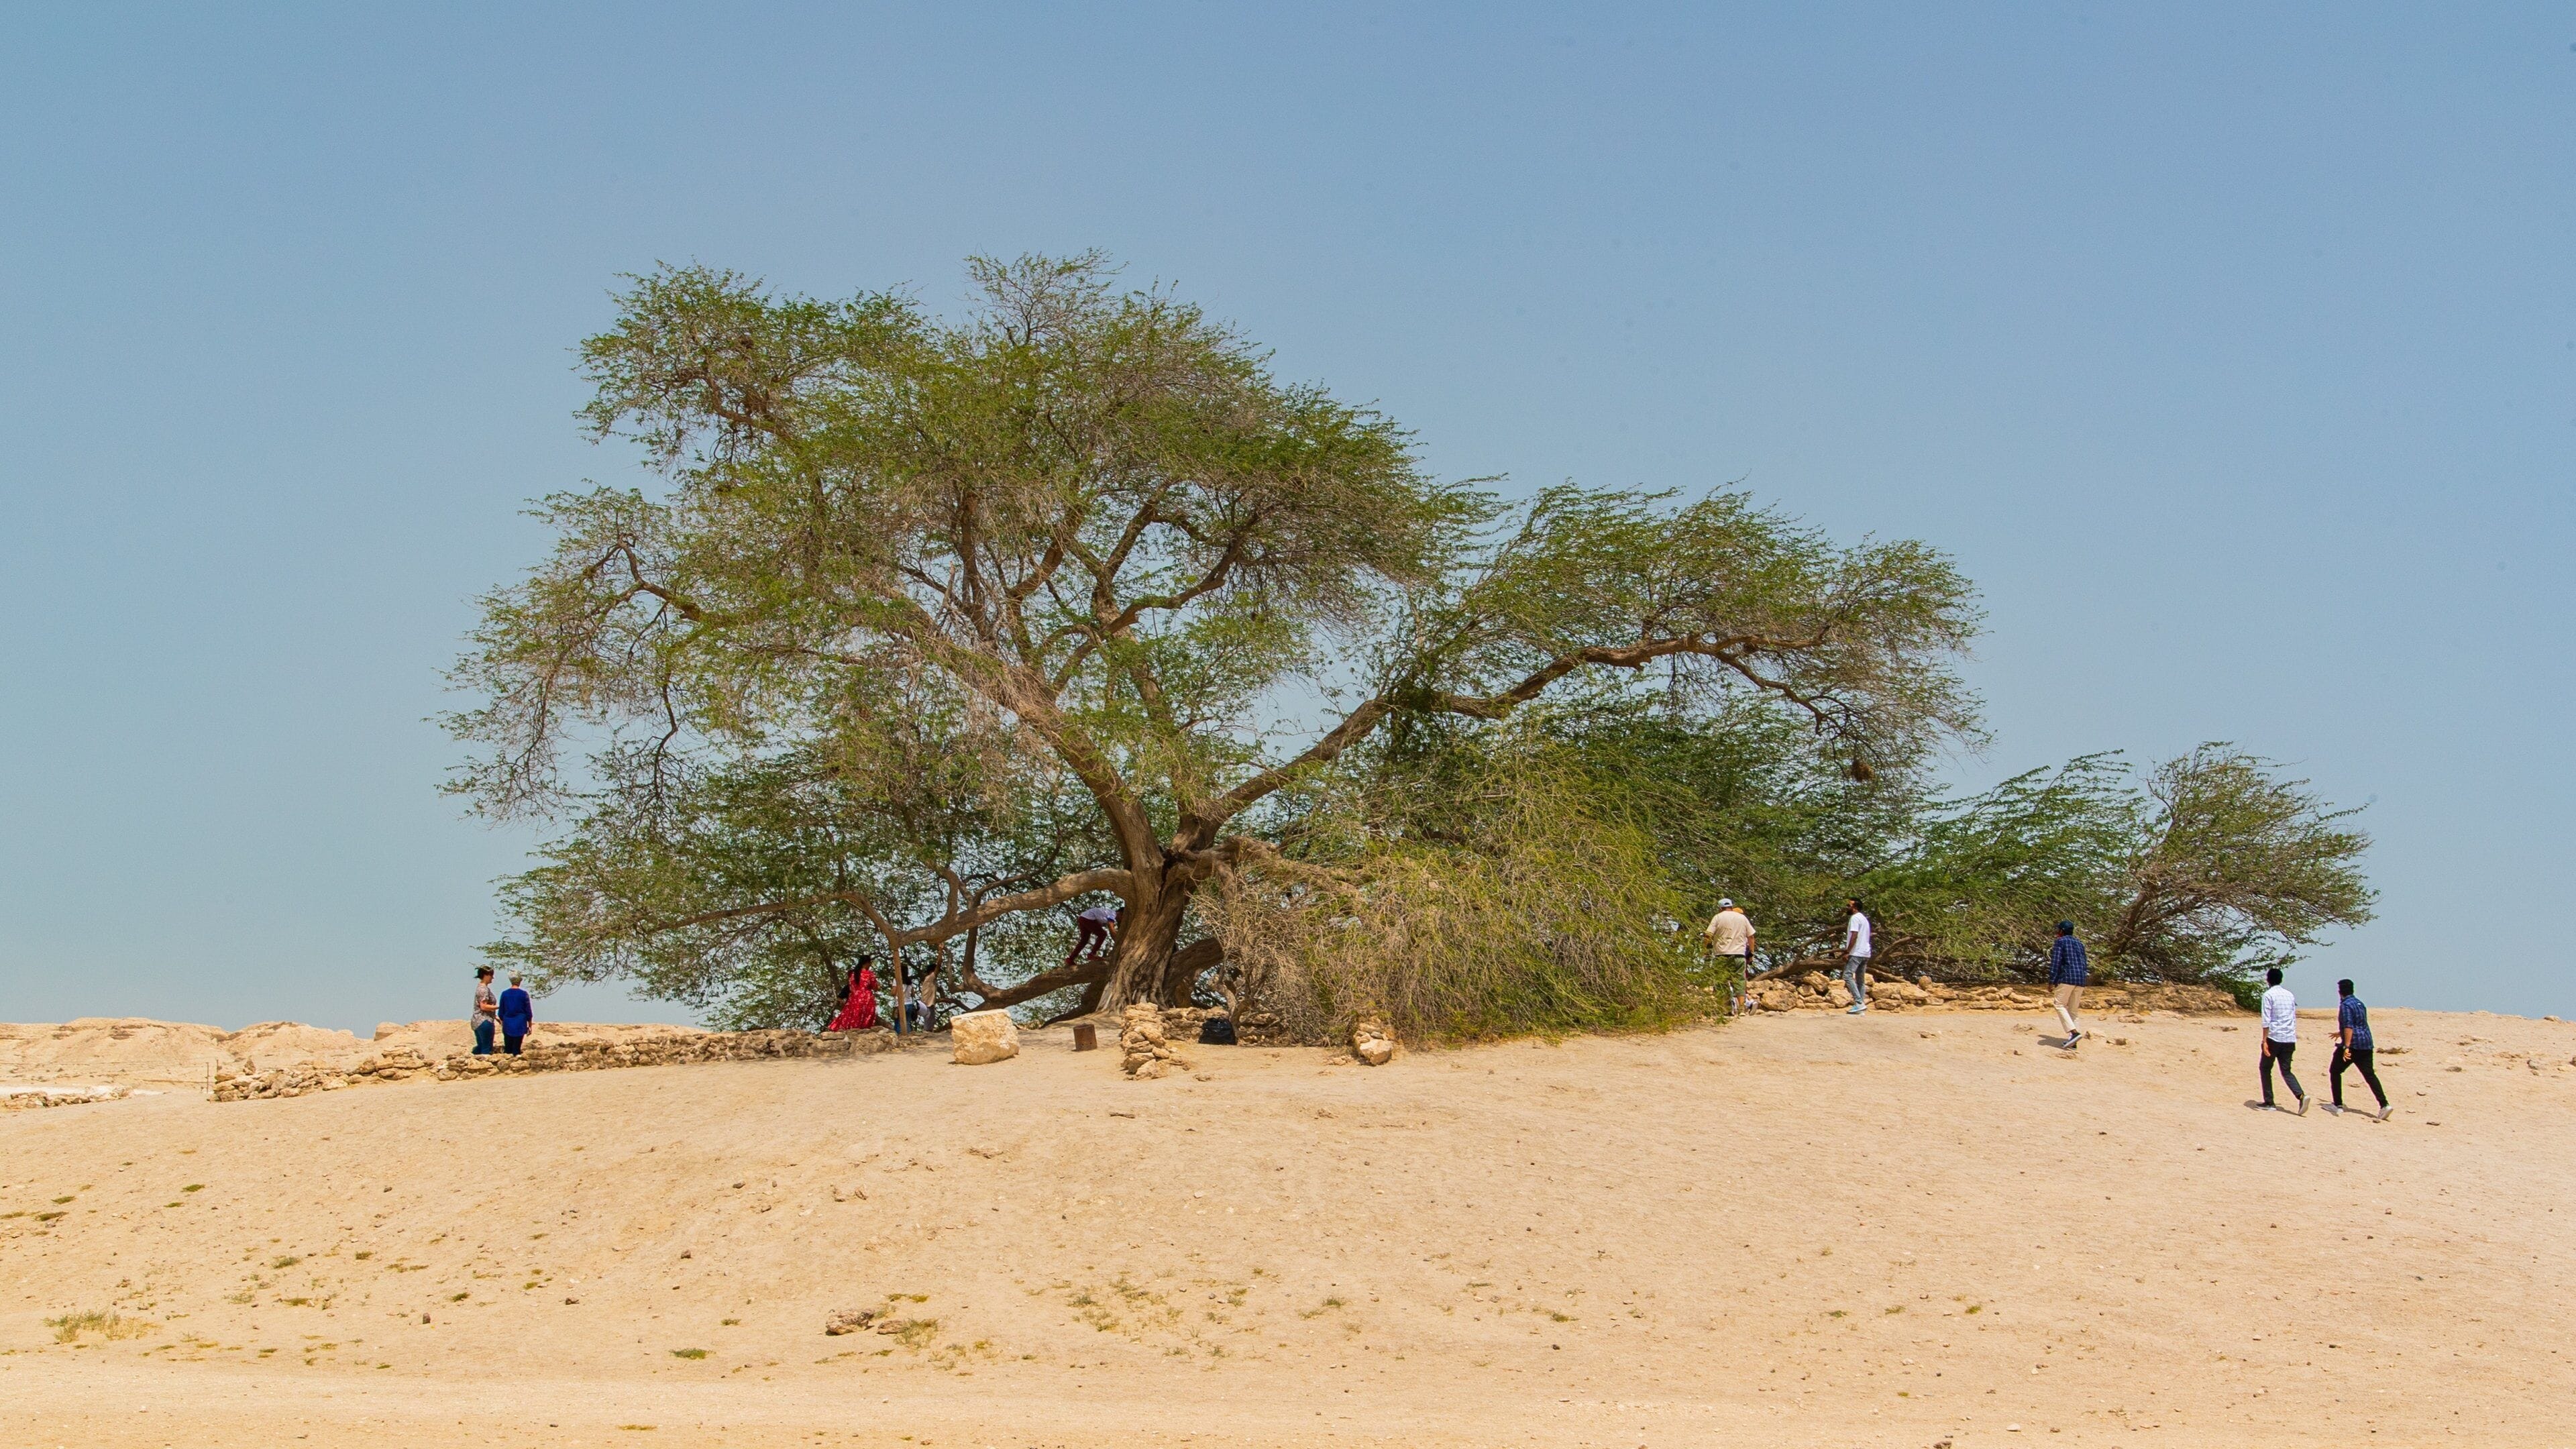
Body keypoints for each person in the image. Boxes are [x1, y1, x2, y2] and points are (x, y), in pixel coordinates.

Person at [2329, 977, 2391, 1120]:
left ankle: (2338, 1105)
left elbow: (2350, 1026)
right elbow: (2359, 1024)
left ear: (2340, 992)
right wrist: (2340, 1033)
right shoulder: (2360, 1004)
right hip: (2366, 1044)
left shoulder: (2345, 1005)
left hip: (2354, 1045)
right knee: (2370, 1075)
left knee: (2335, 1071)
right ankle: (2384, 1104)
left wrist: (2346, 1047)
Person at [2258, 967, 2307, 1114]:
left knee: (2265, 1068)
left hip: (2274, 1037)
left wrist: (2264, 1040)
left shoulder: (2268, 995)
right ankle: (2301, 1095)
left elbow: (2266, 1020)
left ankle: (2269, 1102)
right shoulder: (2289, 995)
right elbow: (2292, 1016)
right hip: (2289, 1038)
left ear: (2268, 980)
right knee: (2286, 1071)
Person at [1701, 898, 1756, 1012]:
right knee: (1740, 980)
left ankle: (1726, 1009)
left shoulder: (1718, 917)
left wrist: (1704, 949)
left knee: (1721, 981)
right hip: (1739, 955)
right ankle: (1741, 1009)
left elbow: (1708, 935)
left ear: (1720, 908)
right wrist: (1751, 952)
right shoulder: (1742, 918)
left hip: (1722, 955)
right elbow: (1751, 937)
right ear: (1731, 906)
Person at [2047, 920, 2088, 1049]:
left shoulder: (2061, 942)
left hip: (2067, 977)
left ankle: (2074, 1033)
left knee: (2059, 1004)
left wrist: (2052, 981)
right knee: (2073, 1011)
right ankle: (2073, 1042)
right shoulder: (2080, 943)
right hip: (2080, 979)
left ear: (2062, 931)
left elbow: (2056, 962)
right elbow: (2084, 962)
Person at [1841, 898, 1872, 1014]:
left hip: (1856, 952)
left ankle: (1859, 1002)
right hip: (1865, 953)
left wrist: (1847, 951)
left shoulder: (1855, 918)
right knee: (1860, 980)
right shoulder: (1864, 919)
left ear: (1855, 908)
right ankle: (1860, 1008)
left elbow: (1854, 935)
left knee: (1847, 976)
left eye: (1849, 905)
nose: (1847, 907)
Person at [1067, 902, 1121, 969]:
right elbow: (1110, 925)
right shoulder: (1113, 914)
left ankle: (1070, 959)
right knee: (1103, 934)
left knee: (1084, 940)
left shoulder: (1108, 913)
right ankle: (1092, 954)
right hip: (1089, 918)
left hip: (1083, 917)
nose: (1121, 919)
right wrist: (1115, 936)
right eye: (1122, 916)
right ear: (1119, 913)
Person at [497, 973, 535, 1055]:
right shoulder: (524, 994)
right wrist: (530, 1025)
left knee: (508, 1048)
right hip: (520, 1024)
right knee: (517, 1048)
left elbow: (501, 1012)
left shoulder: (505, 994)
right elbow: (528, 1012)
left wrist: (503, 1023)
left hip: (508, 1023)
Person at [470, 966, 499, 1056]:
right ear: (486, 975)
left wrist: (496, 1017)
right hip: (484, 1021)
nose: (492, 978)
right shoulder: (483, 990)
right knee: (486, 1048)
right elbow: (484, 1006)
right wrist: (499, 1007)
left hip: (478, 1020)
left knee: (481, 1046)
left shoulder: (481, 988)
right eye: (491, 975)